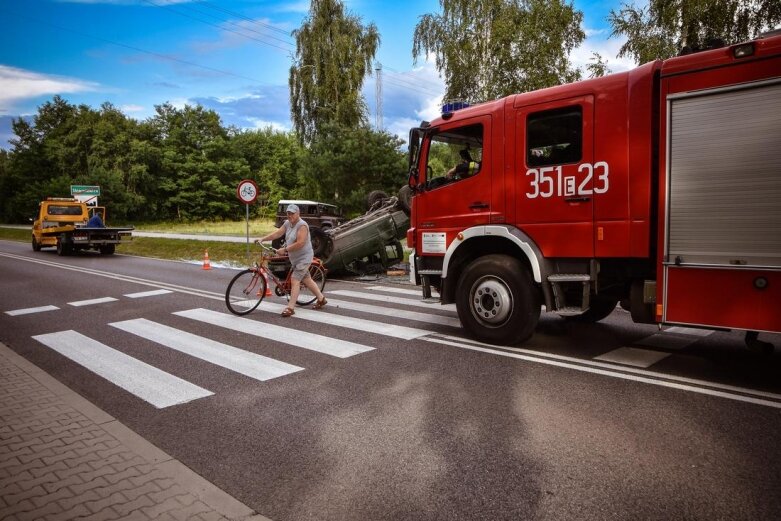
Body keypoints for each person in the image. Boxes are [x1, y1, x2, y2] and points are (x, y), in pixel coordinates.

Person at [256, 203, 327, 317]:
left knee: (295, 280)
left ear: (298, 213)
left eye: (292, 213)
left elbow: (300, 243)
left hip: (304, 257)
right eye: (288, 213)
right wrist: (263, 239)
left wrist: (285, 249)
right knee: (307, 279)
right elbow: (278, 233)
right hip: (295, 258)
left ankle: (290, 308)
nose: (290, 216)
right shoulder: (287, 223)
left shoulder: (302, 225)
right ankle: (321, 299)